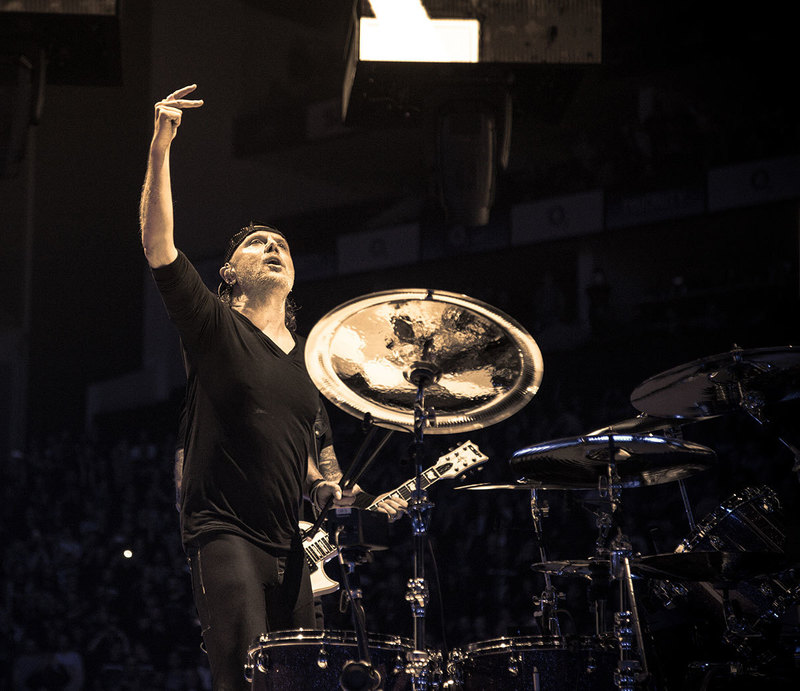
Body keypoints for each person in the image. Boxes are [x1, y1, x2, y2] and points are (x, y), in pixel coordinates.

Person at [140, 84, 405, 690]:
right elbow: (159, 246)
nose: (274, 247)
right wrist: (161, 145)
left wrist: (343, 497)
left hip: (293, 548)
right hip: (224, 532)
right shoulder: (214, 327)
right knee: (246, 678)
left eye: (281, 244)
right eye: (257, 244)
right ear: (230, 272)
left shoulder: (312, 364)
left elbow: (318, 467)